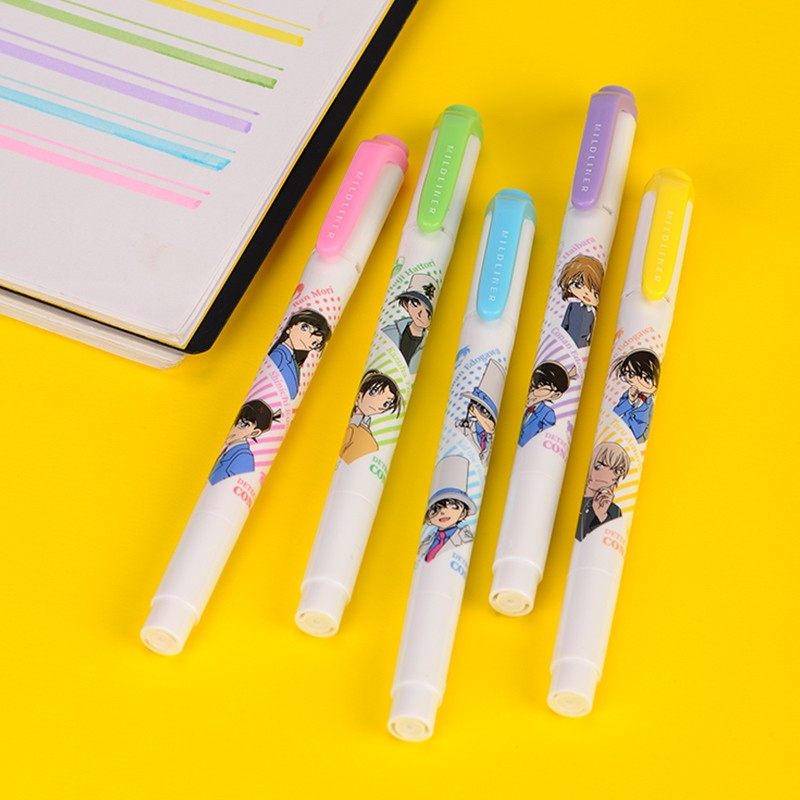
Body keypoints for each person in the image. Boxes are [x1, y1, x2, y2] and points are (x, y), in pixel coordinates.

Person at [418, 455, 477, 563]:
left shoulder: (465, 540)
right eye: (435, 509)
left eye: (453, 507)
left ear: (463, 513)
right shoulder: (426, 543)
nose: (442, 512)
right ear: (428, 518)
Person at [209, 399, 280, 485]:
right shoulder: (229, 449)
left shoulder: (243, 457)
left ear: (254, 433)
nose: (234, 426)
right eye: (237, 418)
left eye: (243, 424)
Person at [339, 370, 402, 464]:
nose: (377, 404)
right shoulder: (352, 427)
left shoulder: (365, 432)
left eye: (386, 403)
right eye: (373, 392)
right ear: (359, 395)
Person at [268, 309, 331, 399]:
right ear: (289, 328)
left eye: (315, 343)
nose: (306, 339)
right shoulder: (279, 355)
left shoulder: (293, 361)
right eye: (305, 328)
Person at [382, 273, 437, 372]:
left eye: (427, 312)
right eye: (415, 303)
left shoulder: (430, 348)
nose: (420, 313)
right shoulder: (388, 332)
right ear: (406, 304)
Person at [576, 441, 630, 541]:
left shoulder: (614, 511)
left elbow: (603, 545)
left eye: (616, 471)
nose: (607, 475)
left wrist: (601, 515)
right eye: (599, 466)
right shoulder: (573, 498)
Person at [456, 359, 504, 464]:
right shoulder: (462, 429)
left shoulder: (491, 439)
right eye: (485, 412)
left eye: (493, 418)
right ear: (472, 409)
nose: (491, 423)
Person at [518, 361, 572, 446]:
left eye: (540, 387)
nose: (533, 391)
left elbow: (542, 441)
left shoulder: (547, 414)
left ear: (555, 395)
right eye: (533, 385)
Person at [612, 349, 660, 442]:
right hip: (617, 431)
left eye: (631, 374)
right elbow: (616, 412)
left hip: (636, 440)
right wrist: (629, 401)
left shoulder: (652, 403)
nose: (628, 378)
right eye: (627, 374)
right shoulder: (628, 394)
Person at [558, 254, 604, 348]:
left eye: (595, 292)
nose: (586, 293)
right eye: (578, 285)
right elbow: (564, 325)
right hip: (567, 345)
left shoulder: (594, 312)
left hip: (583, 348)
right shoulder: (573, 306)